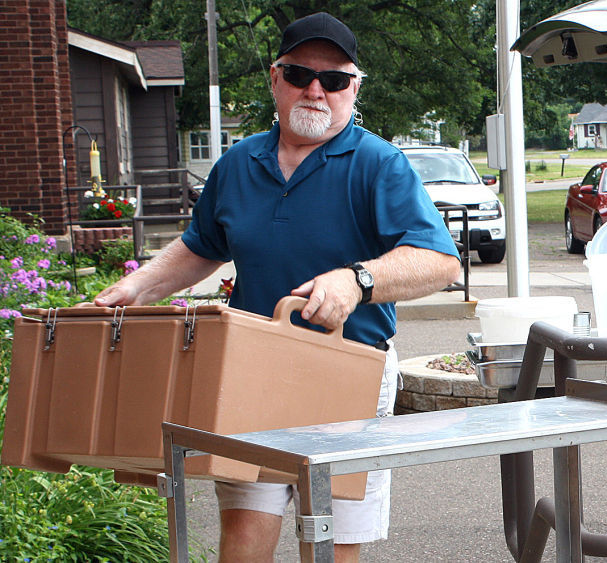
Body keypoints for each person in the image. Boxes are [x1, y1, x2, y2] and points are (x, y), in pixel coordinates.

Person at [94, 12, 461, 562]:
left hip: (348, 370)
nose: (316, 91)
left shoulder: (380, 164)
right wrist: (139, 285)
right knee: (243, 537)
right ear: (275, 78)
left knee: (334, 544)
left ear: (353, 87)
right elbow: (202, 246)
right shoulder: (238, 164)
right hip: (251, 371)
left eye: (333, 80)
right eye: (299, 75)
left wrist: (358, 280)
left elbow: (439, 262)